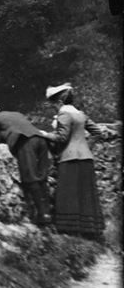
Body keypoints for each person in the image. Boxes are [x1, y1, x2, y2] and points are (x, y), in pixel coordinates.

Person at [45, 84, 106, 240]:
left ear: (58, 102)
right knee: (85, 193)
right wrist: (87, 146)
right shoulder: (80, 114)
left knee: (68, 193)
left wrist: (44, 134)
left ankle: (70, 230)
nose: (52, 107)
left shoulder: (64, 115)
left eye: (53, 104)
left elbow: (61, 138)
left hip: (69, 158)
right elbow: (98, 133)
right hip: (86, 158)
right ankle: (90, 230)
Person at [0, 105, 54, 226]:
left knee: (30, 176)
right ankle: (48, 212)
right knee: (42, 176)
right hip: (41, 139)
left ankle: (43, 214)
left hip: (24, 141)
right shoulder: (16, 113)